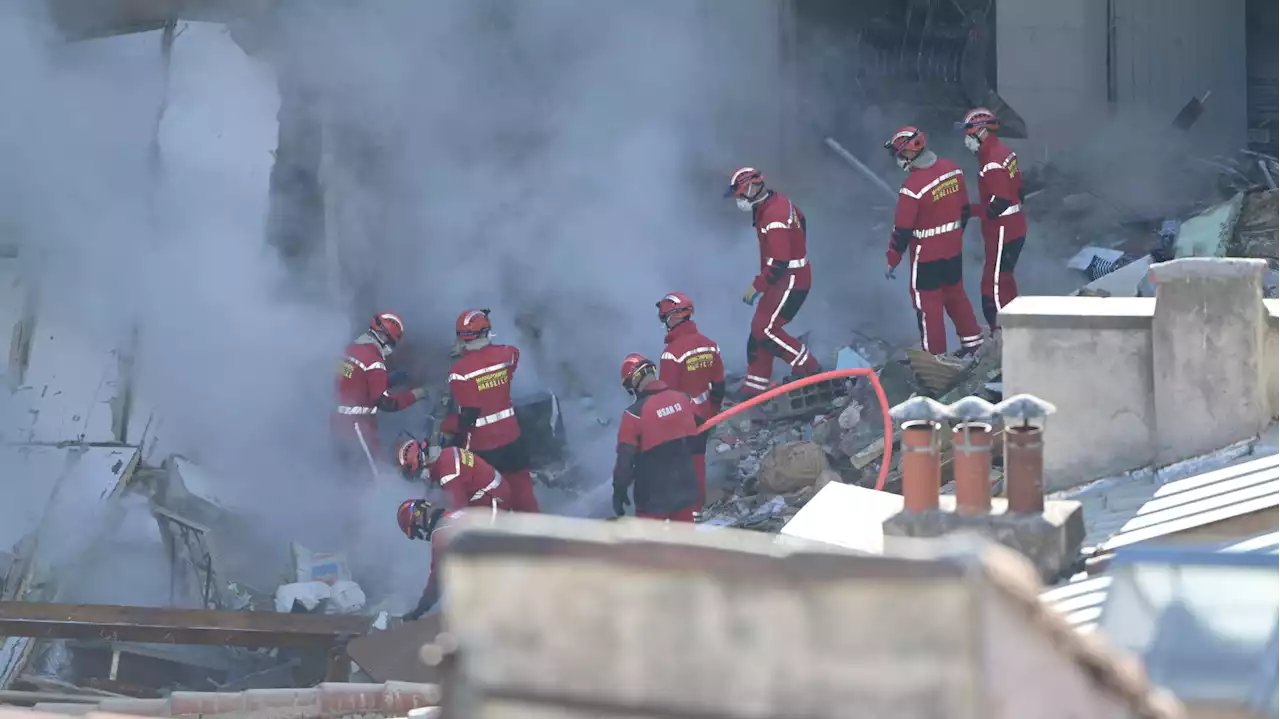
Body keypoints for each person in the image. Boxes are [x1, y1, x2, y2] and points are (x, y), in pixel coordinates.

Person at [882, 127, 985, 360]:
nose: (899, 161)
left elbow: (902, 230)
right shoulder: (953, 170)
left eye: (900, 155)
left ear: (908, 155)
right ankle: (975, 344)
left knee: (928, 308)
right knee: (956, 295)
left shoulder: (912, 188)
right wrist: (954, 237)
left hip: (926, 257)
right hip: (953, 250)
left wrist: (892, 259)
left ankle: (936, 359)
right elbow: (965, 210)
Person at [724, 166, 821, 398]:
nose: (738, 200)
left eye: (739, 195)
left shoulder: (774, 215)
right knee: (759, 328)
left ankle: (810, 370)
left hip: (791, 280)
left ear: (750, 189)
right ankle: (755, 388)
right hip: (784, 278)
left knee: (766, 329)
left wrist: (757, 286)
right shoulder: (775, 202)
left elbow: (779, 261)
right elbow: (803, 220)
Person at [441, 308, 540, 512]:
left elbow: (468, 416)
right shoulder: (507, 355)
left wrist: (446, 425)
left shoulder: (459, 371)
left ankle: (499, 539)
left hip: (482, 447)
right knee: (524, 495)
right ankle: (539, 536)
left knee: (488, 499)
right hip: (512, 440)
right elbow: (512, 358)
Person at [959, 108, 1027, 334]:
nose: (966, 141)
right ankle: (1018, 327)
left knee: (993, 285)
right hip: (1016, 226)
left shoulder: (992, 163)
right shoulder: (1006, 152)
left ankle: (1001, 335)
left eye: (969, 135)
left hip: (1002, 230)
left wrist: (977, 212)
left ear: (982, 133)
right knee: (1006, 280)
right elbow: (1019, 190)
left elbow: (1000, 201)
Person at [333, 312, 428, 474]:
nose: (391, 349)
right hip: (358, 426)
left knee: (347, 472)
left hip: (338, 421)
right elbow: (386, 403)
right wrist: (416, 395)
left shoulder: (349, 350)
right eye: (392, 343)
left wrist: (388, 380)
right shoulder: (374, 361)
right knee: (372, 474)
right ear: (385, 338)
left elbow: (355, 383)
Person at [612, 353, 700, 522]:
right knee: (686, 545)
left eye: (630, 387)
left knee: (650, 548)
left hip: (652, 501)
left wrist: (619, 490)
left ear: (635, 380)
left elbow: (625, 461)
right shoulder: (683, 399)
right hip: (686, 492)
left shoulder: (633, 415)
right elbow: (700, 430)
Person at [656, 292, 725, 508]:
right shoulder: (710, 346)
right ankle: (697, 513)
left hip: (680, 425)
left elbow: (666, 398)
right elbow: (719, 385)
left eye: (665, 318)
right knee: (698, 466)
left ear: (674, 318)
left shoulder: (671, 354)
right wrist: (712, 413)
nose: (664, 324)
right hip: (704, 419)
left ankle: (682, 518)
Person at [396, 439, 511, 511]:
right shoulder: (447, 453)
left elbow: (459, 509)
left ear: (422, 462)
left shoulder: (448, 474)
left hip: (494, 500)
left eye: (417, 474)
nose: (420, 478)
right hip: (495, 492)